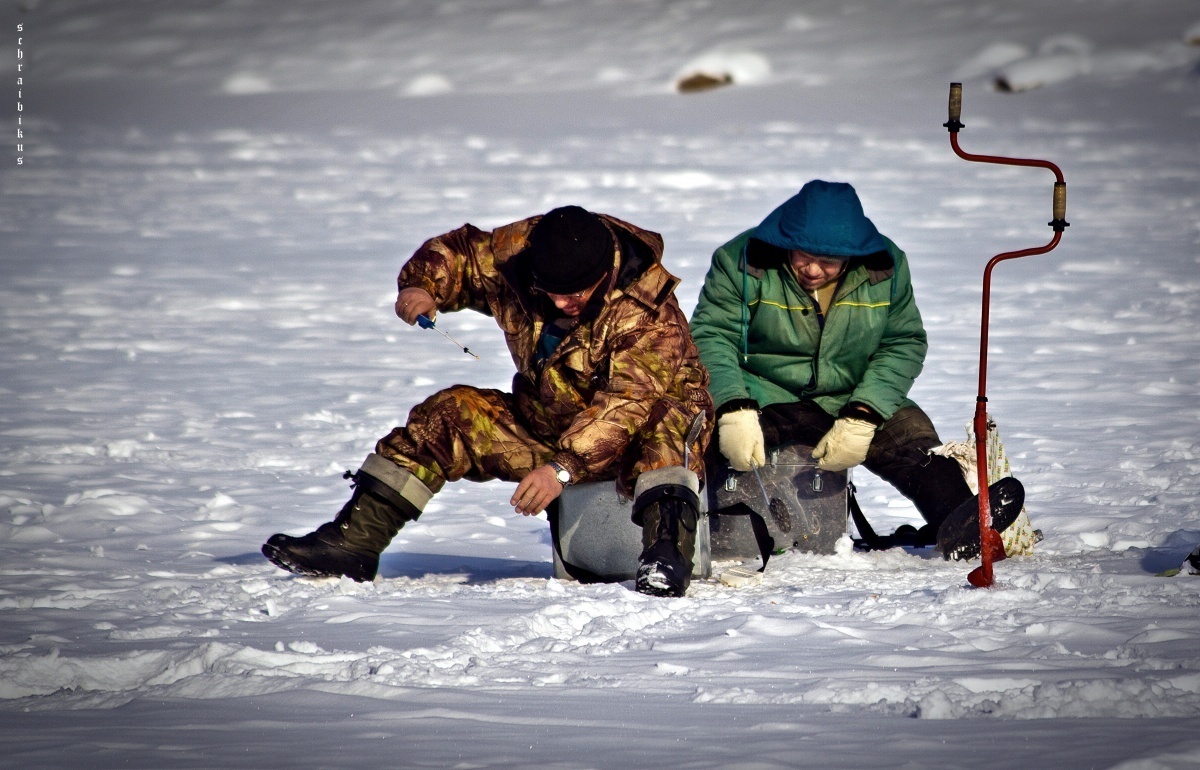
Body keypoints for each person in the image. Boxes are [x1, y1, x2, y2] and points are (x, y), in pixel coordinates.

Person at [263, 206, 714, 597]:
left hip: (638, 427)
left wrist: (560, 469)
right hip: (553, 419)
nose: (563, 302)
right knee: (449, 415)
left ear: (605, 274)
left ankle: (665, 555)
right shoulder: (516, 256)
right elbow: (460, 254)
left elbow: (627, 402)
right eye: (552, 292)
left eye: (576, 293)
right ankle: (352, 544)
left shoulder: (650, 311)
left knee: (665, 423)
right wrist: (422, 286)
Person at [689, 180, 1022, 560]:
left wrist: (865, 413)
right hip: (762, 391)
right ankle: (670, 524)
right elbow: (711, 336)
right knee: (704, 437)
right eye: (802, 256)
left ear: (853, 254)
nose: (813, 270)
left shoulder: (887, 267)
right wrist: (732, 406)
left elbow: (903, 343)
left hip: (849, 393)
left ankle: (963, 525)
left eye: (828, 261)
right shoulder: (741, 259)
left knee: (914, 443)